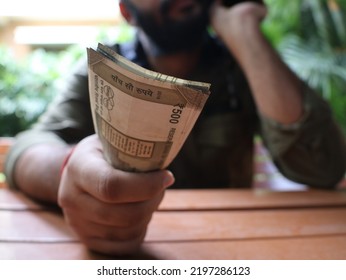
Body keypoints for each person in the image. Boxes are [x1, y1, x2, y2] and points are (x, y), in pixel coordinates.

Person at [4, 0, 346, 255]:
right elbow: (29, 146)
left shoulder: (241, 69)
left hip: (227, 249)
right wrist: (67, 171)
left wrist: (244, 30)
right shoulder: (103, 68)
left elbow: (322, 167)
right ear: (127, 10)